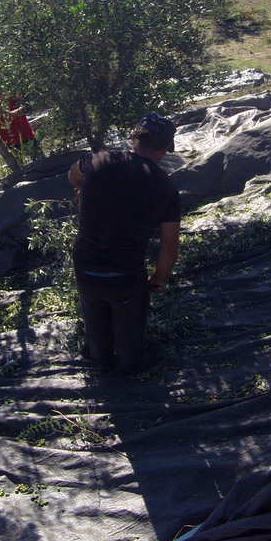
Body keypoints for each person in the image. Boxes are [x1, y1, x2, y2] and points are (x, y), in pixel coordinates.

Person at [68, 113, 181, 375]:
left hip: (85, 268)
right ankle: (129, 374)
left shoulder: (98, 160)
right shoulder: (166, 188)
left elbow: (73, 174)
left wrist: (85, 189)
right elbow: (169, 246)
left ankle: (103, 364)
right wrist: (159, 276)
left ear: (133, 137)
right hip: (125, 276)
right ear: (164, 149)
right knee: (130, 332)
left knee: (94, 322)